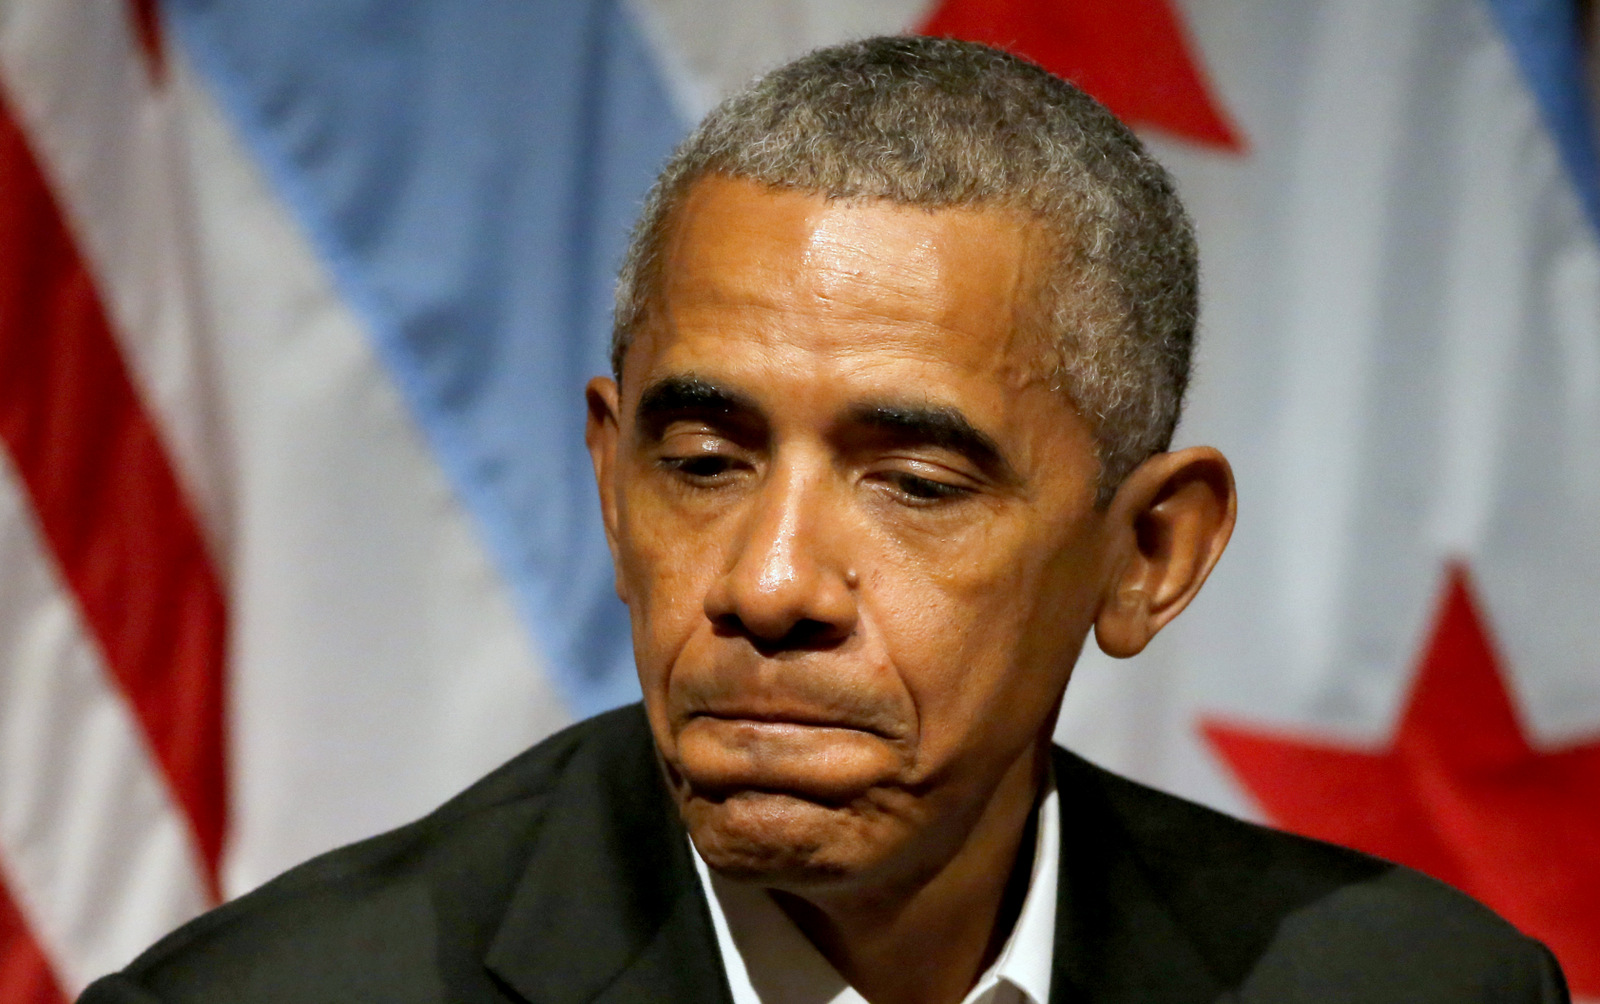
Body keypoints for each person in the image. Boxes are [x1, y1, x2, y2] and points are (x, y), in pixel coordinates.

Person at [80, 36, 1568, 1004]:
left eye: (916, 485)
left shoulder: (1417, 990)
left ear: (1148, 554)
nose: (771, 584)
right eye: (707, 463)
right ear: (610, 481)